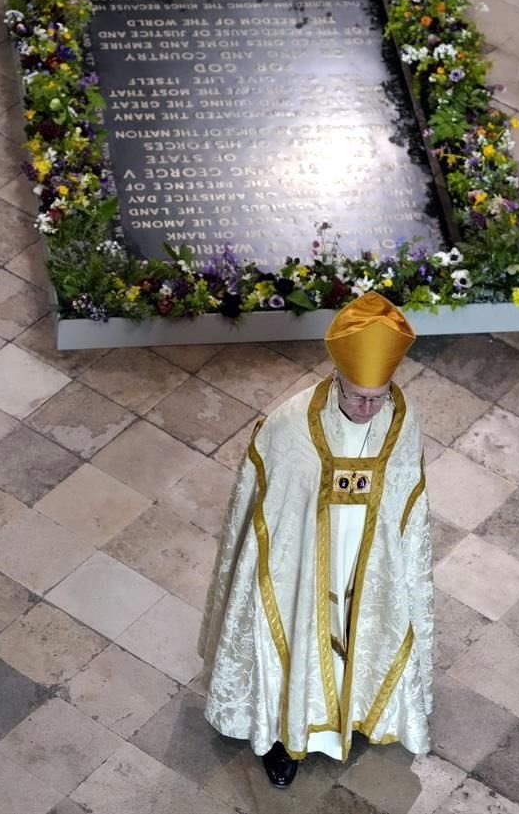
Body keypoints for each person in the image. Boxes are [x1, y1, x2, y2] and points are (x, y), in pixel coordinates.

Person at [198, 291, 434, 788]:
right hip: (303, 566)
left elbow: (408, 509)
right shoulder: (291, 425)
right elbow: (268, 510)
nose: (368, 408)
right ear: (336, 378)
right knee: (298, 635)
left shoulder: (403, 421)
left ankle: (359, 711)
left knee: (367, 625)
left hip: (369, 562)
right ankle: (284, 736)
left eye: (378, 397)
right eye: (357, 396)